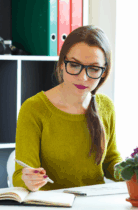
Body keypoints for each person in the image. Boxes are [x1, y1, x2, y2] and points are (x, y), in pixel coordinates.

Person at [13, 25, 124, 192]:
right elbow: (20, 175)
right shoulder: (34, 108)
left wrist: (135, 171)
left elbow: (110, 161)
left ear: (104, 72)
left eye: (94, 69)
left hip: (94, 204)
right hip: (51, 204)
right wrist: (28, 179)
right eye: (74, 65)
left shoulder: (106, 106)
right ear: (62, 63)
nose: (83, 77)